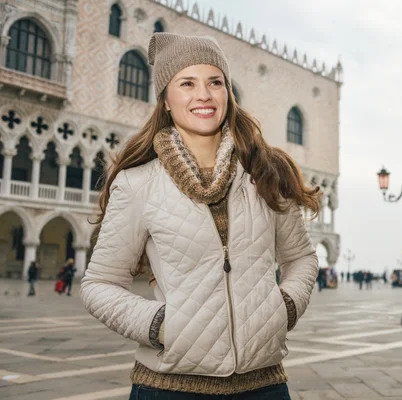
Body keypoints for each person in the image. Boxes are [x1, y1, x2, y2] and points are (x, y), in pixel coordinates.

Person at [80, 33, 320, 400]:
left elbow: (300, 258)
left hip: (265, 385)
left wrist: (284, 308)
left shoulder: (265, 173)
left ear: (228, 94)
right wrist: (160, 325)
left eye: (215, 82)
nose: (204, 95)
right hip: (169, 387)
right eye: (187, 83)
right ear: (166, 99)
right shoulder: (137, 184)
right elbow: (99, 283)